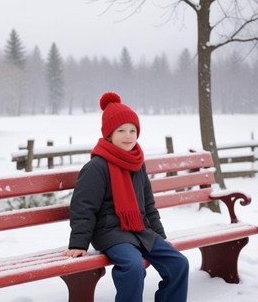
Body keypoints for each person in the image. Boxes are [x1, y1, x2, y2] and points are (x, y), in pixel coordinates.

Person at [63, 92, 189, 302]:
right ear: (109, 135)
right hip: (110, 232)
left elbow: (148, 204)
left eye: (133, 130)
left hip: (141, 230)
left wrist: (160, 235)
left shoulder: (137, 164)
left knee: (178, 263)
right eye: (121, 130)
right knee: (133, 267)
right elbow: (83, 207)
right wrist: (78, 243)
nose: (128, 135)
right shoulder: (97, 167)